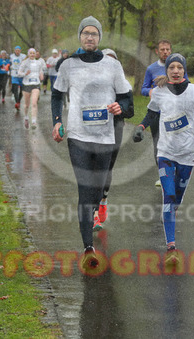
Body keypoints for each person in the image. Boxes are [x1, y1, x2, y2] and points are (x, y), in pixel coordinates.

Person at [51, 16, 133, 270]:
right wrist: (56, 121)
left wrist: (120, 107)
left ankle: (96, 209)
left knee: (98, 188)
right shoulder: (68, 65)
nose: (89, 37)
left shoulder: (112, 66)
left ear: (99, 38)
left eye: (94, 33)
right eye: (85, 33)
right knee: (85, 189)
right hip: (78, 136)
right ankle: (88, 248)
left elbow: (127, 99)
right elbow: (56, 95)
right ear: (80, 36)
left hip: (105, 136)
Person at [133, 53, 194, 264]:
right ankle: (171, 247)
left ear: (184, 70)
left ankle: (169, 214)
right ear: (166, 70)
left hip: (188, 153)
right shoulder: (159, 92)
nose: (175, 71)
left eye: (179, 67)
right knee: (168, 196)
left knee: (176, 198)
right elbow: (151, 114)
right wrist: (141, 127)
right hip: (166, 152)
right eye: (171, 67)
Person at [92, 48, 134, 232]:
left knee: (107, 167)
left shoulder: (123, 84)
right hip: (93, 129)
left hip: (115, 128)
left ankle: (103, 199)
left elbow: (130, 111)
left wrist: (120, 109)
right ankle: (94, 214)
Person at [141, 40, 186, 187]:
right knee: (159, 144)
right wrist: (150, 91)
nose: (165, 52)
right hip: (157, 113)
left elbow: (187, 84)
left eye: (167, 49)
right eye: (162, 49)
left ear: (171, 50)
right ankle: (163, 175)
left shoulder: (178, 67)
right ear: (157, 51)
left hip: (174, 112)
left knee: (175, 143)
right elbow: (143, 88)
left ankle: (175, 173)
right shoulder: (151, 69)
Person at [19, 48, 46, 129]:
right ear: (28, 54)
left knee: (34, 103)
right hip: (26, 84)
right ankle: (26, 117)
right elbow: (19, 73)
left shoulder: (38, 63)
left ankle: (34, 121)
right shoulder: (24, 62)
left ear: (35, 54)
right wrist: (25, 73)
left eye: (33, 53)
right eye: (30, 53)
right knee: (26, 105)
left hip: (36, 84)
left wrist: (41, 76)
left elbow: (40, 71)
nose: (32, 54)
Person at [10, 46, 26, 110]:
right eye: (16, 50)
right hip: (14, 74)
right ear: (14, 50)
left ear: (20, 51)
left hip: (21, 74)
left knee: (22, 90)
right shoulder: (11, 56)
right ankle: (17, 103)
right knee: (15, 89)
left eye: (18, 50)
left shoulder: (23, 56)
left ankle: (19, 101)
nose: (17, 51)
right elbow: (9, 63)